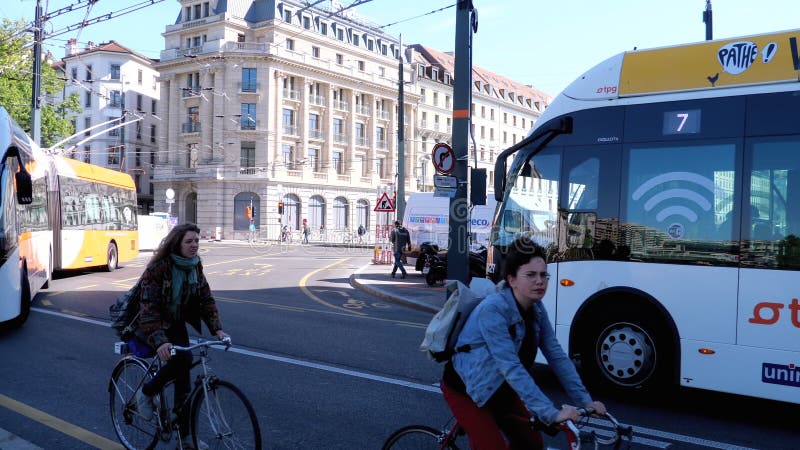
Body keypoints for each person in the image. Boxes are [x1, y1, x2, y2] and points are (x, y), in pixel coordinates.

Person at [441, 235, 606, 449]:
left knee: (531, 444)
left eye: (543, 275)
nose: (540, 281)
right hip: (467, 389)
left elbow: (556, 356)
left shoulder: (536, 309)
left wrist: (586, 401)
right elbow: (510, 366)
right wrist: (551, 413)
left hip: (502, 389)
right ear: (512, 280)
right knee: (491, 446)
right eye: (531, 275)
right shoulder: (493, 310)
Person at [134, 223, 229, 450]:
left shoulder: (195, 266)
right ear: (177, 243)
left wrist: (217, 330)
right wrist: (160, 341)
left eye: (197, 241)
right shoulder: (159, 267)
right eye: (189, 241)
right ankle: (146, 393)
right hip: (153, 324)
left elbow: (206, 299)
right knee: (183, 361)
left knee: (184, 383)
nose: (194, 245)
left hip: (175, 323)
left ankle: (183, 439)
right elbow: (148, 307)